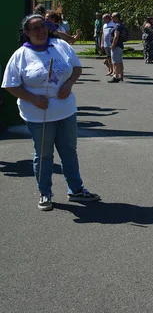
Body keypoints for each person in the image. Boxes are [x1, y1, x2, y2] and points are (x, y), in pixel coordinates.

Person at [1, 14, 100, 211]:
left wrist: (69, 84)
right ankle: (45, 193)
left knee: (69, 151)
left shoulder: (60, 45)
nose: (41, 31)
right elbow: (10, 85)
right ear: (27, 32)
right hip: (38, 115)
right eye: (35, 28)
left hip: (66, 111)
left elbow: (76, 68)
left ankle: (76, 189)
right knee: (44, 154)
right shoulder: (21, 55)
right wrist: (33, 98)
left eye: (43, 26)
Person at [109, 12, 126, 82]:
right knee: (119, 61)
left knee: (115, 62)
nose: (111, 18)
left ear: (116, 18)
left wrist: (113, 45)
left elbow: (116, 36)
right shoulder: (121, 25)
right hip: (120, 45)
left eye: (112, 17)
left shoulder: (117, 26)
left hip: (116, 46)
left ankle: (115, 76)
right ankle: (121, 75)